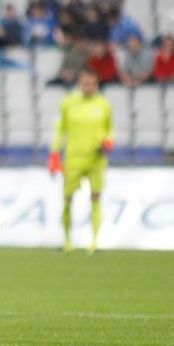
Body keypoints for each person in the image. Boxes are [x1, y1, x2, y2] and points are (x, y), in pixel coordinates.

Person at [48, 69, 113, 253]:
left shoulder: (103, 105)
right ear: (79, 83)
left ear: (96, 84)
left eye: (91, 83)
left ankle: (94, 242)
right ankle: (67, 241)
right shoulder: (68, 103)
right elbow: (59, 130)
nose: (88, 87)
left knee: (96, 198)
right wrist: (54, 154)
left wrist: (108, 142)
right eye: (84, 83)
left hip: (96, 160)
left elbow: (110, 130)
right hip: (73, 158)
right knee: (67, 200)